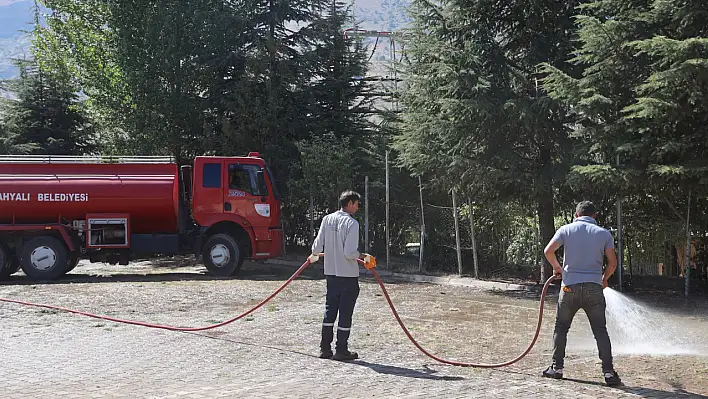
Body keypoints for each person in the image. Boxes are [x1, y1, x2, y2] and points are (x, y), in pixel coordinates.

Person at [542, 200, 622, 387]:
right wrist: (604, 279)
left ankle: (557, 368)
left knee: (561, 328)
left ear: (576, 215)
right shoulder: (603, 234)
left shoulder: (566, 230)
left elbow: (548, 251)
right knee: (600, 330)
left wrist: (557, 268)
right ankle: (609, 374)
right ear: (594, 216)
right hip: (594, 288)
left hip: (569, 287)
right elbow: (612, 262)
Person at [310, 190, 368, 361]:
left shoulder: (327, 219)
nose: (357, 208)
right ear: (349, 203)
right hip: (347, 276)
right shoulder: (352, 224)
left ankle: (324, 348)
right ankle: (341, 350)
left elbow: (316, 248)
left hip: (331, 274)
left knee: (330, 311)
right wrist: (363, 256)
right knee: (345, 313)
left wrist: (314, 255)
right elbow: (350, 253)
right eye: (356, 204)